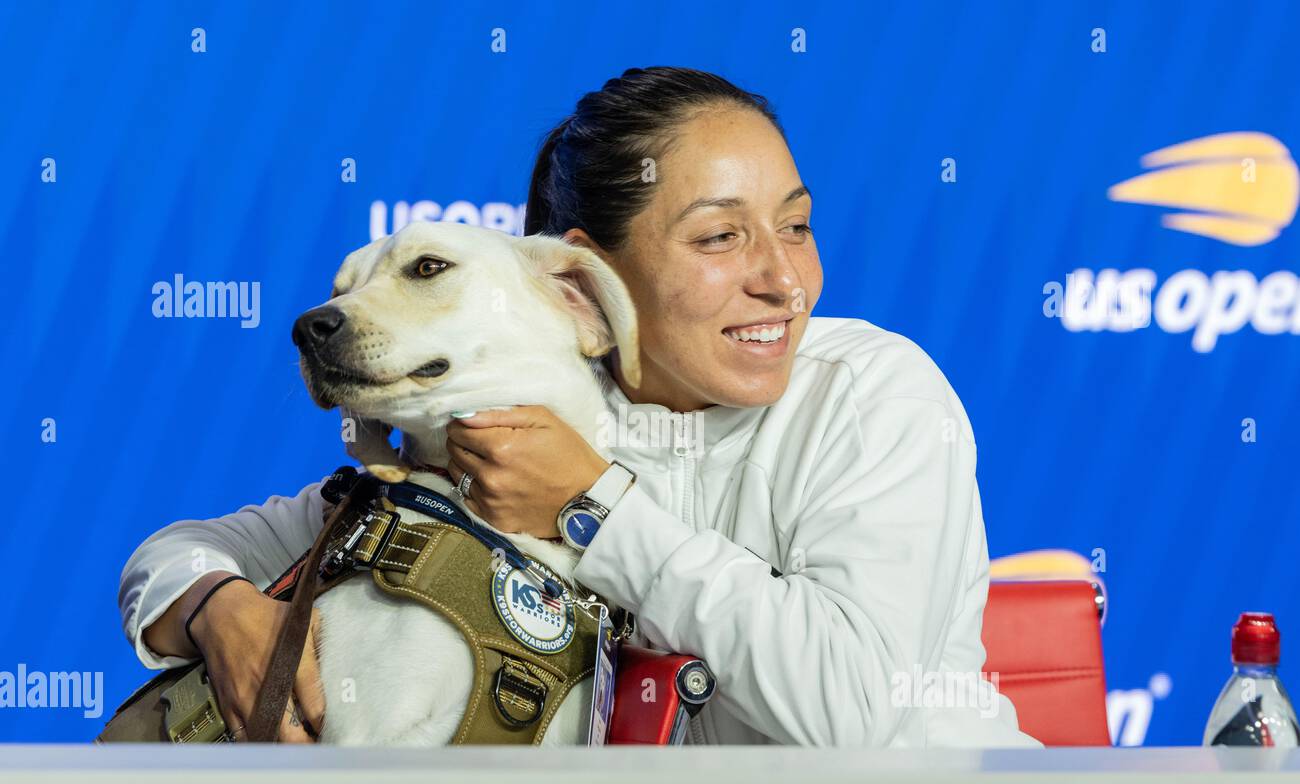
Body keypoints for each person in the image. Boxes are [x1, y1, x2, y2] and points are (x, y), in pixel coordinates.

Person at [119, 66, 1041, 748]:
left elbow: (853, 710)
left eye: (796, 226)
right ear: (582, 283)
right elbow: (180, 554)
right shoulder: (517, 423)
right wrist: (219, 609)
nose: (783, 279)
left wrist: (594, 505)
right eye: (722, 237)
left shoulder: (870, 391)